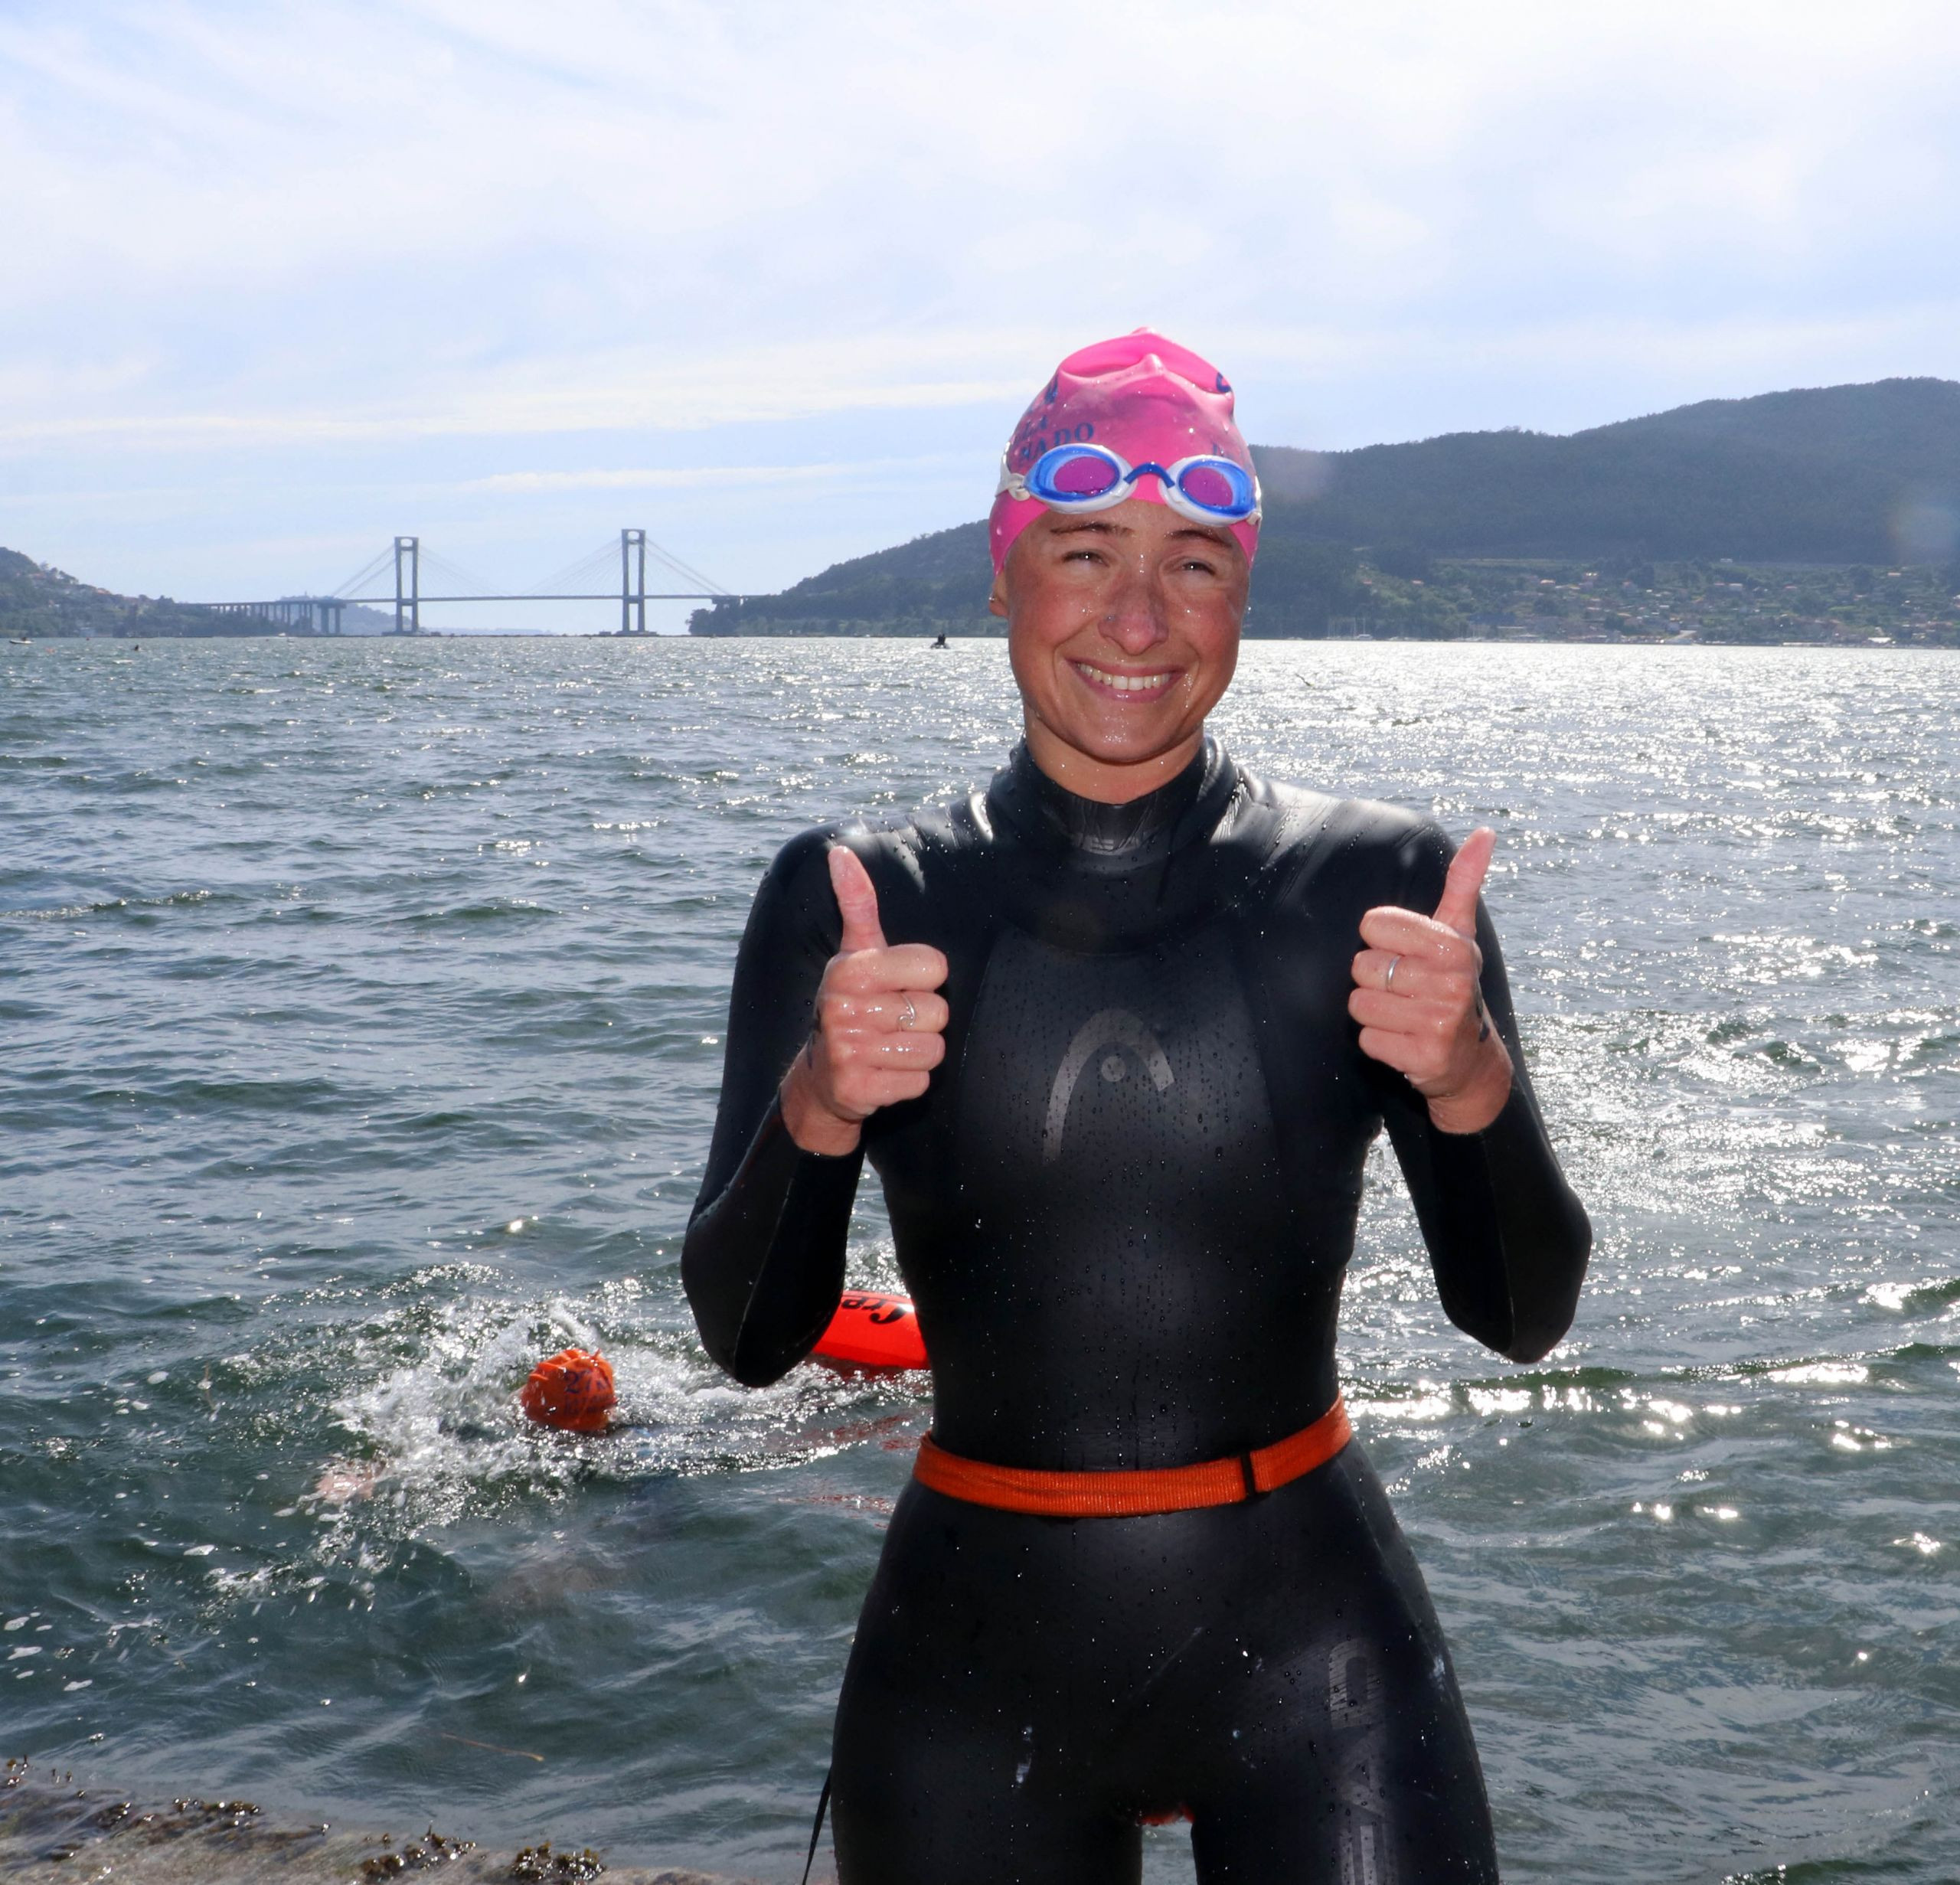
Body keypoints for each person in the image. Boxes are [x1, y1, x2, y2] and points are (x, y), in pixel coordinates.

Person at [684, 331, 1590, 1883]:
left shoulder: (1374, 891)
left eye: (1193, 565)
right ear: (999, 572)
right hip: (971, 1657)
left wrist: (1469, 1082)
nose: (1133, 616)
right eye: (1082, 551)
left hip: (1313, 1647)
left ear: (1241, 598)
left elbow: (1519, 1313)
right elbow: (747, 1336)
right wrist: (818, 1104)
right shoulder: (859, 900)